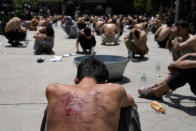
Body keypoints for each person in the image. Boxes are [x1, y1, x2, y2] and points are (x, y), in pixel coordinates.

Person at [46, 56, 137, 131]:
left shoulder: (53, 89)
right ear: (104, 83)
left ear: (76, 79)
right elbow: (132, 102)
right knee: (129, 109)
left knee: (53, 105)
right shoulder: (115, 90)